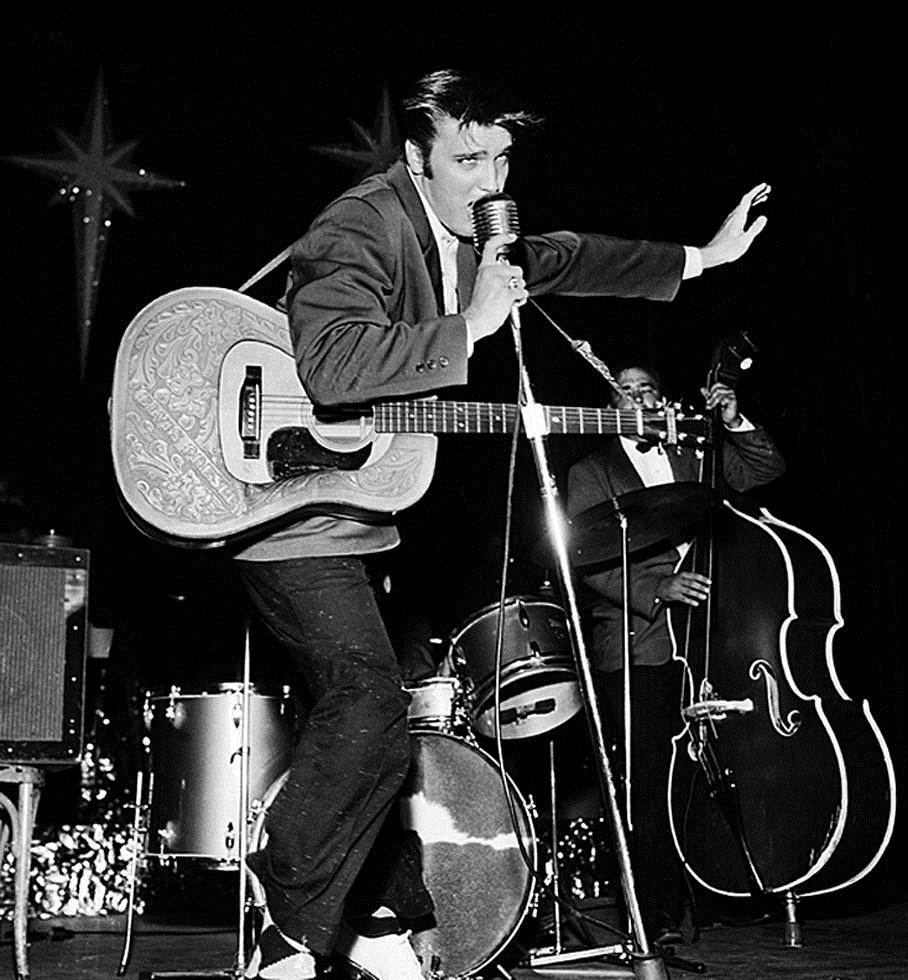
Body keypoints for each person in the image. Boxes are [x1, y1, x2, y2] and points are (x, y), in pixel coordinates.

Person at [234, 68, 772, 980]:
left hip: (360, 515)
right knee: (365, 700)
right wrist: (472, 325)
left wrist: (701, 260)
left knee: (390, 717)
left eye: (503, 156)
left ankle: (377, 914)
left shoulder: (485, 235)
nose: (491, 180)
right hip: (276, 497)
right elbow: (326, 368)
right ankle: (289, 928)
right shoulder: (361, 221)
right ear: (416, 155)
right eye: (467, 157)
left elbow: (576, 256)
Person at [566, 364, 786, 948]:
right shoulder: (591, 471)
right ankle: (656, 913)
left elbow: (765, 469)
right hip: (640, 641)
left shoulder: (695, 451)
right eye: (626, 392)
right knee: (648, 780)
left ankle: (725, 889)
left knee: (712, 765)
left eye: (649, 389)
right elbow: (583, 558)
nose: (640, 398)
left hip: (714, 637)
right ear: (609, 407)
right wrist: (653, 591)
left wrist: (732, 421)